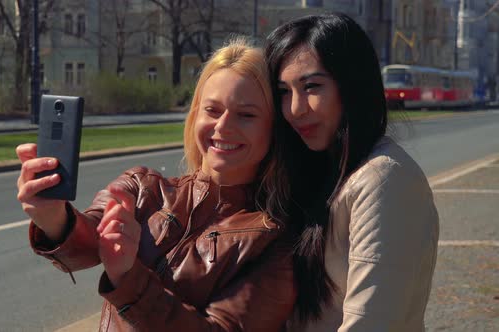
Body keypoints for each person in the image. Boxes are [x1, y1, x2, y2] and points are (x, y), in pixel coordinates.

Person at [16, 38, 296, 331]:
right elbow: (88, 239)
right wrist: (54, 217)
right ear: (195, 115)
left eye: (246, 115)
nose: (223, 126)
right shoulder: (143, 186)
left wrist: (127, 279)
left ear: (273, 129)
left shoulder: (276, 241)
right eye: (212, 110)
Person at [264, 13, 440, 331]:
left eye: (312, 86)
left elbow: (369, 322)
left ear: (352, 86)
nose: (295, 108)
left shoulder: (384, 180)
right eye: (284, 92)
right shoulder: (321, 172)